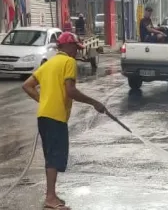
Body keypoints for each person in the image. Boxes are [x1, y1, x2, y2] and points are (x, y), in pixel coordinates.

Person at [22, 32, 106, 210]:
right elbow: (71, 91)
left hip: (44, 116)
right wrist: (94, 102)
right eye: (75, 47)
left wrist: (43, 101)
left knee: (51, 155)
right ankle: (50, 198)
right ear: (67, 46)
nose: (76, 51)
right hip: (55, 117)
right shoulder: (68, 62)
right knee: (54, 157)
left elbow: (27, 85)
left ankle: (51, 195)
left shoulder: (49, 63)